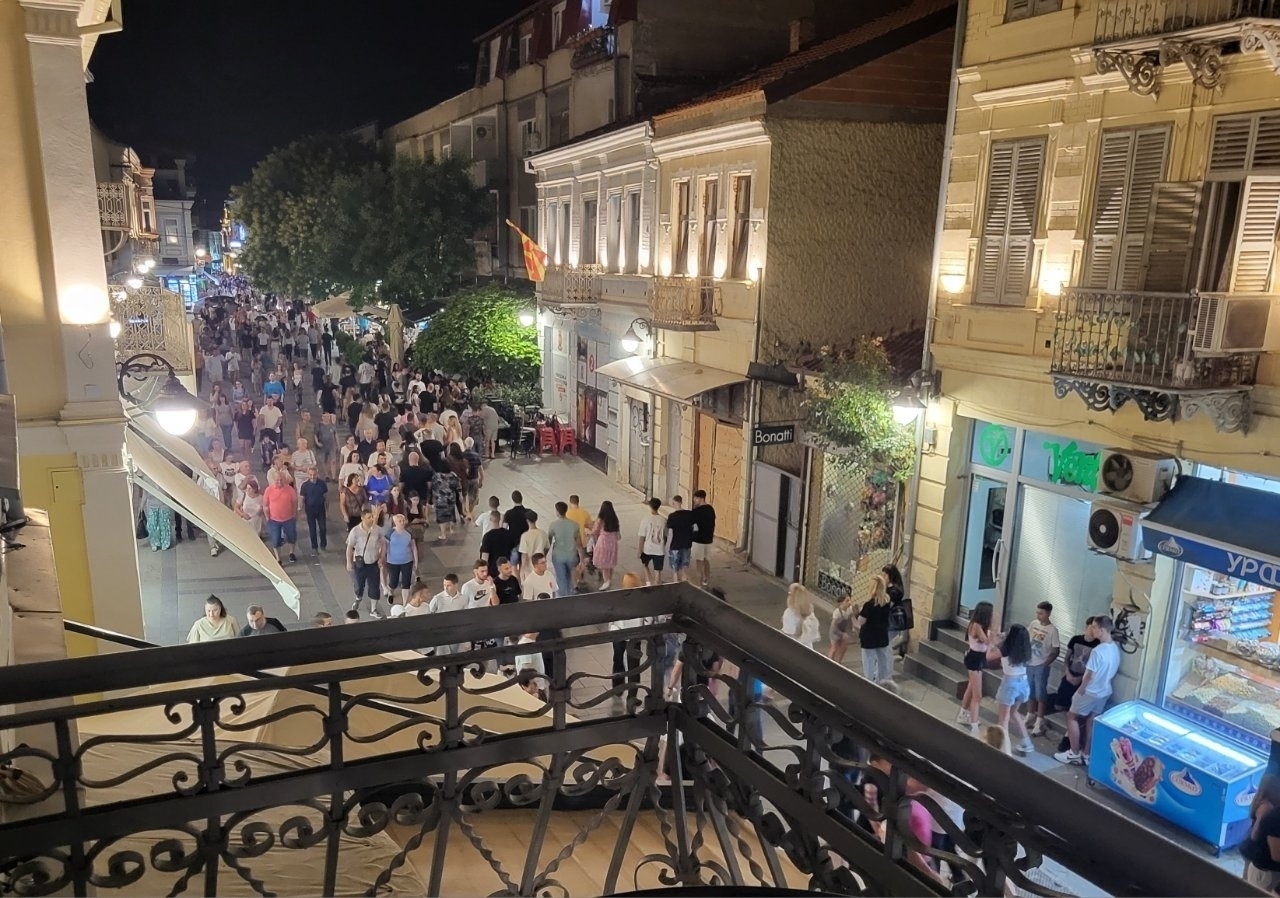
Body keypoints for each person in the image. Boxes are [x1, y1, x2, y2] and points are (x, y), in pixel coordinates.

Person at [1055, 615, 1119, 765]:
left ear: (1102, 630)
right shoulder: (1114, 649)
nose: (1092, 630)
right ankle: (1087, 753)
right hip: (1104, 691)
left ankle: (1074, 752)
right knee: (1091, 721)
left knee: (1071, 717)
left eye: (1095, 627)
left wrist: (1081, 690)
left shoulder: (1098, 651)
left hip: (1090, 691)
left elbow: (1089, 675)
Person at [992, 623, 1035, 755]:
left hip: (1010, 683)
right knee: (1014, 713)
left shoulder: (1006, 648)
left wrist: (993, 643)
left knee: (1003, 718)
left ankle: (1003, 748)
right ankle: (1026, 743)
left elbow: (989, 656)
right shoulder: (1025, 648)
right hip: (1023, 682)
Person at [1026, 601, 1061, 737]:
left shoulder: (1053, 630)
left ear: (1048, 614)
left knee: (1041, 692)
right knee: (1030, 690)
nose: (1038, 615)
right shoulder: (1034, 624)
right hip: (1030, 662)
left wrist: (1045, 663)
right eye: (1037, 613)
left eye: (1041, 613)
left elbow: (1056, 650)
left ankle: (1039, 719)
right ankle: (1030, 714)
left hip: (1041, 664)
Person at [958, 601, 993, 732]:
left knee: (971, 687)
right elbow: (988, 641)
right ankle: (974, 724)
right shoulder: (976, 626)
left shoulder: (980, 626)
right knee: (977, 696)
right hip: (975, 660)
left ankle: (963, 713)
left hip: (978, 658)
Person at [1241, 776, 1280, 890]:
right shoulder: (1269, 810)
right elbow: (1276, 855)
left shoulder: (1265, 805)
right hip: (1265, 870)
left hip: (1259, 862)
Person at [346, 508, 387, 618]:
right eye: (369, 517)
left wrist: (381, 557)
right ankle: (358, 597)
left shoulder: (377, 530)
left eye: (372, 517)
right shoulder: (355, 531)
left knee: (374, 587)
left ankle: (373, 609)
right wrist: (349, 562)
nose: (371, 519)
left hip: (373, 563)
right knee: (359, 585)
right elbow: (349, 547)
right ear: (362, 518)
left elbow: (383, 544)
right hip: (360, 564)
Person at [855, 575, 894, 682]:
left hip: (869, 637)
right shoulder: (886, 602)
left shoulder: (869, 604)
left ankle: (869, 683)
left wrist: (858, 612)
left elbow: (861, 621)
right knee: (882, 661)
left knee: (869, 661)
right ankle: (882, 681)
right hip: (882, 635)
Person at [547, 502, 581, 598]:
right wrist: (582, 557)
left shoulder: (553, 525)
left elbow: (548, 541)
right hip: (571, 555)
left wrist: (545, 554)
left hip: (558, 556)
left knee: (561, 578)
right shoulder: (574, 524)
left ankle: (562, 597)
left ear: (557, 511)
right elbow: (579, 543)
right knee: (570, 577)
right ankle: (570, 595)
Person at [384, 513, 418, 605]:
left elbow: (413, 547)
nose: (402, 522)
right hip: (393, 562)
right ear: (395, 522)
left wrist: (416, 561)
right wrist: (383, 558)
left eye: (403, 520)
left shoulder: (409, 533)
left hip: (407, 561)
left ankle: (404, 603)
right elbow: (385, 546)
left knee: (406, 583)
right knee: (393, 582)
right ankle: (390, 592)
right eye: (400, 521)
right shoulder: (390, 533)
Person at [637, 498, 670, 586]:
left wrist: (639, 551)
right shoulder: (664, 520)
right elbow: (665, 536)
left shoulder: (645, 519)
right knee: (658, 570)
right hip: (660, 549)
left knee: (645, 565)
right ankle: (657, 584)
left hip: (648, 549)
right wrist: (663, 545)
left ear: (650, 506)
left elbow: (642, 537)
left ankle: (648, 583)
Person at [780, 583, 820, 652]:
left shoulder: (790, 613)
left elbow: (788, 633)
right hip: (808, 648)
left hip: (793, 649)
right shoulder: (810, 613)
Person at [591, 501, 621, 589]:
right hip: (613, 543)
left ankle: (606, 581)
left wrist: (588, 531)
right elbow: (618, 535)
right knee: (610, 563)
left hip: (603, 542)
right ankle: (609, 579)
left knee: (604, 564)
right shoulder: (615, 519)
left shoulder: (600, 519)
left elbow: (595, 531)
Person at [665, 495, 695, 583]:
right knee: (684, 568)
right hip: (687, 544)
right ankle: (685, 583)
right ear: (681, 502)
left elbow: (670, 533)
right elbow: (694, 528)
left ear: (673, 503)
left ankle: (676, 584)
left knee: (675, 569)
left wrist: (667, 545)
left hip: (675, 545)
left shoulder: (672, 516)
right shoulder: (690, 514)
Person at [565, 494, 592, 589]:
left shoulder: (567, 514)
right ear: (578, 502)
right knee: (581, 560)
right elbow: (589, 525)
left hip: (570, 543)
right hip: (582, 541)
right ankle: (581, 578)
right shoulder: (584, 513)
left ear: (570, 502)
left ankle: (574, 582)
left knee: (573, 563)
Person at [690, 489, 716, 588]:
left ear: (700, 498)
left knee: (699, 563)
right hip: (709, 539)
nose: (694, 501)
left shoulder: (696, 511)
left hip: (698, 540)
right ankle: (706, 580)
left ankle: (699, 584)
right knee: (706, 560)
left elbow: (693, 525)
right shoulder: (710, 509)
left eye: (695, 499)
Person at [883, 563, 909, 658]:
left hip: (892, 620)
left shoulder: (895, 591)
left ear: (891, 576)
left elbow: (888, 605)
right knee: (885, 643)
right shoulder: (888, 588)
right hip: (887, 620)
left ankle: (887, 663)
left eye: (885, 575)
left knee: (886, 642)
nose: (883, 577)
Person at [479, 513, 516, 580]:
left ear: (490, 520)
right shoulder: (509, 534)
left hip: (493, 572)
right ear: (500, 519)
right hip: (506, 570)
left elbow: (484, 557)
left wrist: (484, 573)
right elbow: (513, 552)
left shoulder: (488, 536)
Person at [518, 510, 550, 579]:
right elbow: (547, 547)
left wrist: (522, 569)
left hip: (529, 565)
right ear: (536, 519)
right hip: (541, 563)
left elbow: (524, 554)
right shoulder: (543, 533)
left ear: (527, 520)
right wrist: (543, 555)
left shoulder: (525, 536)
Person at [827, 593, 856, 663]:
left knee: (843, 648)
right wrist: (841, 634)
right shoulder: (837, 612)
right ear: (841, 602)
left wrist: (853, 628)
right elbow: (833, 627)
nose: (849, 602)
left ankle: (838, 663)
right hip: (835, 631)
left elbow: (852, 620)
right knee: (834, 648)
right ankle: (829, 661)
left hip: (843, 630)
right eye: (847, 601)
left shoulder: (849, 610)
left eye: (850, 600)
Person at [503, 490, 529, 562]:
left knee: (513, 565)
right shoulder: (528, 512)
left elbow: (504, 528)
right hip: (525, 542)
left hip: (513, 542)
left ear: (513, 500)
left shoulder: (508, 513)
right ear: (522, 498)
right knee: (523, 565)